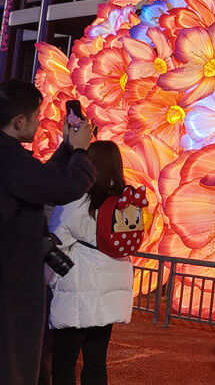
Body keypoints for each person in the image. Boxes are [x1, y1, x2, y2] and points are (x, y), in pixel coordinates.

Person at [0, 79, 96, 385]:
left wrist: (68, 149)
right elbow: (61, 187)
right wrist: (81, 152)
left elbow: (40, 180)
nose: (37, 121)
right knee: (6, 364)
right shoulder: (6, 161)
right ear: (19, 122)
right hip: (4, 286)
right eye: (35, 115)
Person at [49, 140, 134, 385]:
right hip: (110, 290)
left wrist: (52, 281)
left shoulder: (78, 201)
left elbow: (56, 242)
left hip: (78, 290)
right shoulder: (126, 202)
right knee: (96, 360)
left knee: (64, 360)